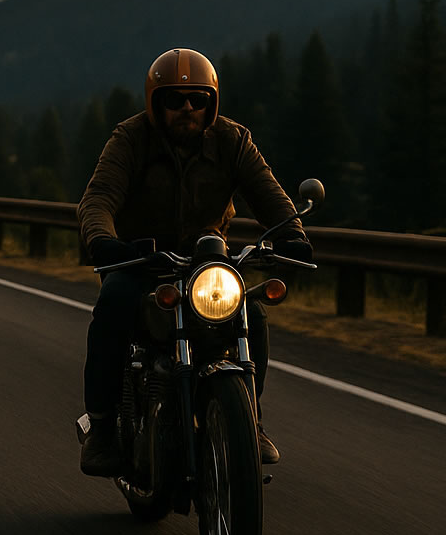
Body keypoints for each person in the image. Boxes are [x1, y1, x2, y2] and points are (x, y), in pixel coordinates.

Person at [76, 47, 311, 476]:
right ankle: (103, 429)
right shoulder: (130, 139)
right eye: (174, 99)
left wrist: (292, 234)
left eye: (197, 99)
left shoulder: (232, 140)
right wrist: (104, 241)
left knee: (252, 315)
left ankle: (250, 421)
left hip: (208, 263)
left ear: (211, 102)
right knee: (113, 306)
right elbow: (99, 197)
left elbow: (268, 193)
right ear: (154, 102)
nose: (187, 108)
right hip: (141, 262)